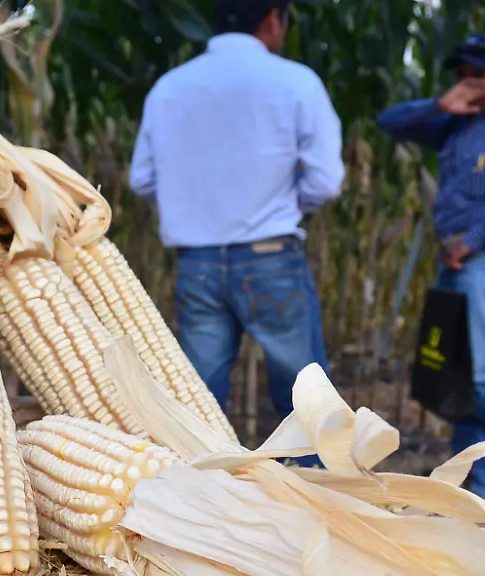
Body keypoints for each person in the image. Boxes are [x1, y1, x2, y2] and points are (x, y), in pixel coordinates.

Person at [127, 0, 345, 465]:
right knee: (304, 399)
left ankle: (200, 493)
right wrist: (280, 205)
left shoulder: (170, 87)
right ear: (272, 19)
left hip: (198, 264)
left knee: (198, 399)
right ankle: (316, 494)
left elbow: (142, 179)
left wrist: (195, 206)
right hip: (270, 258)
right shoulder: (296, 81)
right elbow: (325, 181)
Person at [376, 34, 485, 511]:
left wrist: (471, 240)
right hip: (454, 261)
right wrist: (440, 104)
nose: (469, 80)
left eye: (480, 73)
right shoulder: (452, 124)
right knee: (458, 370)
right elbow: (388, 122)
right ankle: (466, 469)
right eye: (462, 72)